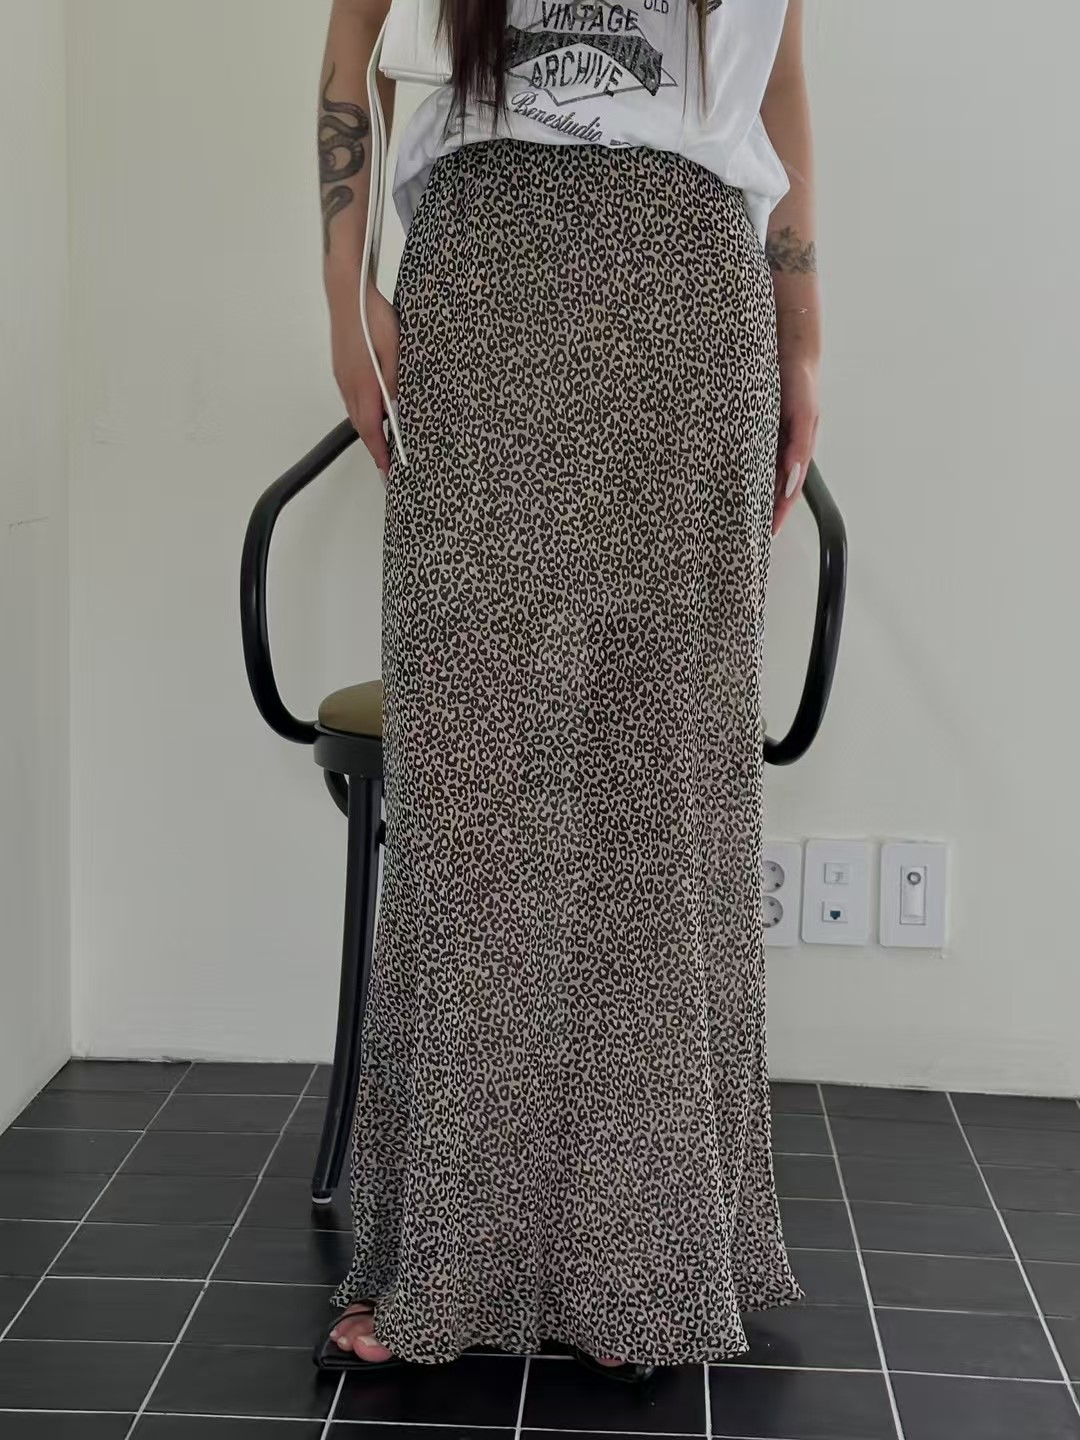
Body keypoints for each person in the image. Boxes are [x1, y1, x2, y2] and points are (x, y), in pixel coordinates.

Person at [315, 0, 820, 1382]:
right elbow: (352, 37)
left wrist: (804, 334)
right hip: (485, 281)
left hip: (691, 295)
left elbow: (780, 81)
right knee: (474, 792)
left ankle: (643, 1266)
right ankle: (455, 1259)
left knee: (663, 794)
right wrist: (343, 292)